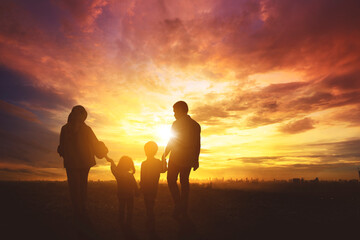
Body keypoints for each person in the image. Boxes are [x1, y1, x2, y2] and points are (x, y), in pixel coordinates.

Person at [58, 105, 108, 222]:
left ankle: (79, 211)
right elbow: (95, 144)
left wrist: (66, 154)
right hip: (82, 162)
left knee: (76, 187)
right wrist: (103, 153)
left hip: (75, 163)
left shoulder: (66, 128)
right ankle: (80, 211)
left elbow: (62, 147)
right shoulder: (84, 129)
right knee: (80, 187)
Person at [162, 101, 201, 220]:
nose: (174, 114)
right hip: (188, 159)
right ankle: (182, 208)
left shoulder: (176, 124)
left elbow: (172, 140)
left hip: (176, 158)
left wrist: (165, 154)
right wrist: (195, 160)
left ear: (181, 110)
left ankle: (178, 205)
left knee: (171, 180)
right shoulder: (195, 125)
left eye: (175, 111)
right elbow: (197, 145)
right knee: (184, 183)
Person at [106, 155, 139, 236]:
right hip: (130, 194)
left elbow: (113, 170)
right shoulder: (129, 175)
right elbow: (134, 184)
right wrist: (137, 191)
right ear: (130, 165)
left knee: (122, 208)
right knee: (129, 210)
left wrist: (112, 162)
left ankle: (121, 223)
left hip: (121, 194)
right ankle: (128, 224)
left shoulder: (118, 174)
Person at [140, 141, 167, 236]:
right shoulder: (157, 162)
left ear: (145, 151)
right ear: (155, 151)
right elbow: (163, 169)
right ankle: (150, 221)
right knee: (150, 204)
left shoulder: (144, 164)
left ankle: (150, 220)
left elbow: (142, 177)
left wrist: (141, 187)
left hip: (147, 187)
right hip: (153, 187)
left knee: (148, 205)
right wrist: (164, 161)